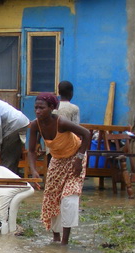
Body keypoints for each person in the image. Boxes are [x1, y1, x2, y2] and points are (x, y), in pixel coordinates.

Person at [27, 93, 91, 245]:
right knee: (51, 197)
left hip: (75, 158)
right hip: (57, 160)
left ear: (52, 108)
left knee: (69, 198)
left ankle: (64, 241)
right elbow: (30, 151)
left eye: (41, 108)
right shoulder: (36, 125)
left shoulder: (61, 122)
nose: (37, 111)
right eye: (36, 108)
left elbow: (86, 134)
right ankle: (55, 238)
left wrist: (79, 158)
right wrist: (34, 170)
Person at [0, 93, 30, 174]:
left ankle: (6, 184)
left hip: (14, 124)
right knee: (6, 162)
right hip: (14, 124)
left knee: (7, 164)